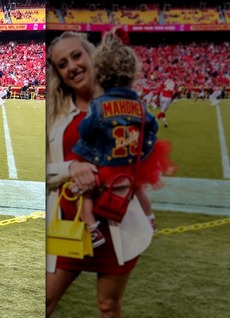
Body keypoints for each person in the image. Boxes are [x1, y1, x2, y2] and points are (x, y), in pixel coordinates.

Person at [45, 31, 153, 318]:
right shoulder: (56, 117)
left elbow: (142, 166)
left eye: (78, 56)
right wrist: (68, 167)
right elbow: (41, 171)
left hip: (118, 226)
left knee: (108, 306)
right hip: (70, 227)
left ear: (94, 57)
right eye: (62, 63)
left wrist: (148, 209)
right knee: (45, 300)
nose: (73, 66)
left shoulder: (130, 108)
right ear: (57, 73)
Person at [70, 29, 173, 246]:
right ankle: (150, 219)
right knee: (139, 188)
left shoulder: (98, 106)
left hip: (106, 167)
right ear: (131, 73)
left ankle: (92, 228)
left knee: (83, 190)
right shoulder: (140, 105)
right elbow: (152, 127)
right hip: (132, 166)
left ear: (100, 74)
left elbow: (85, 131)